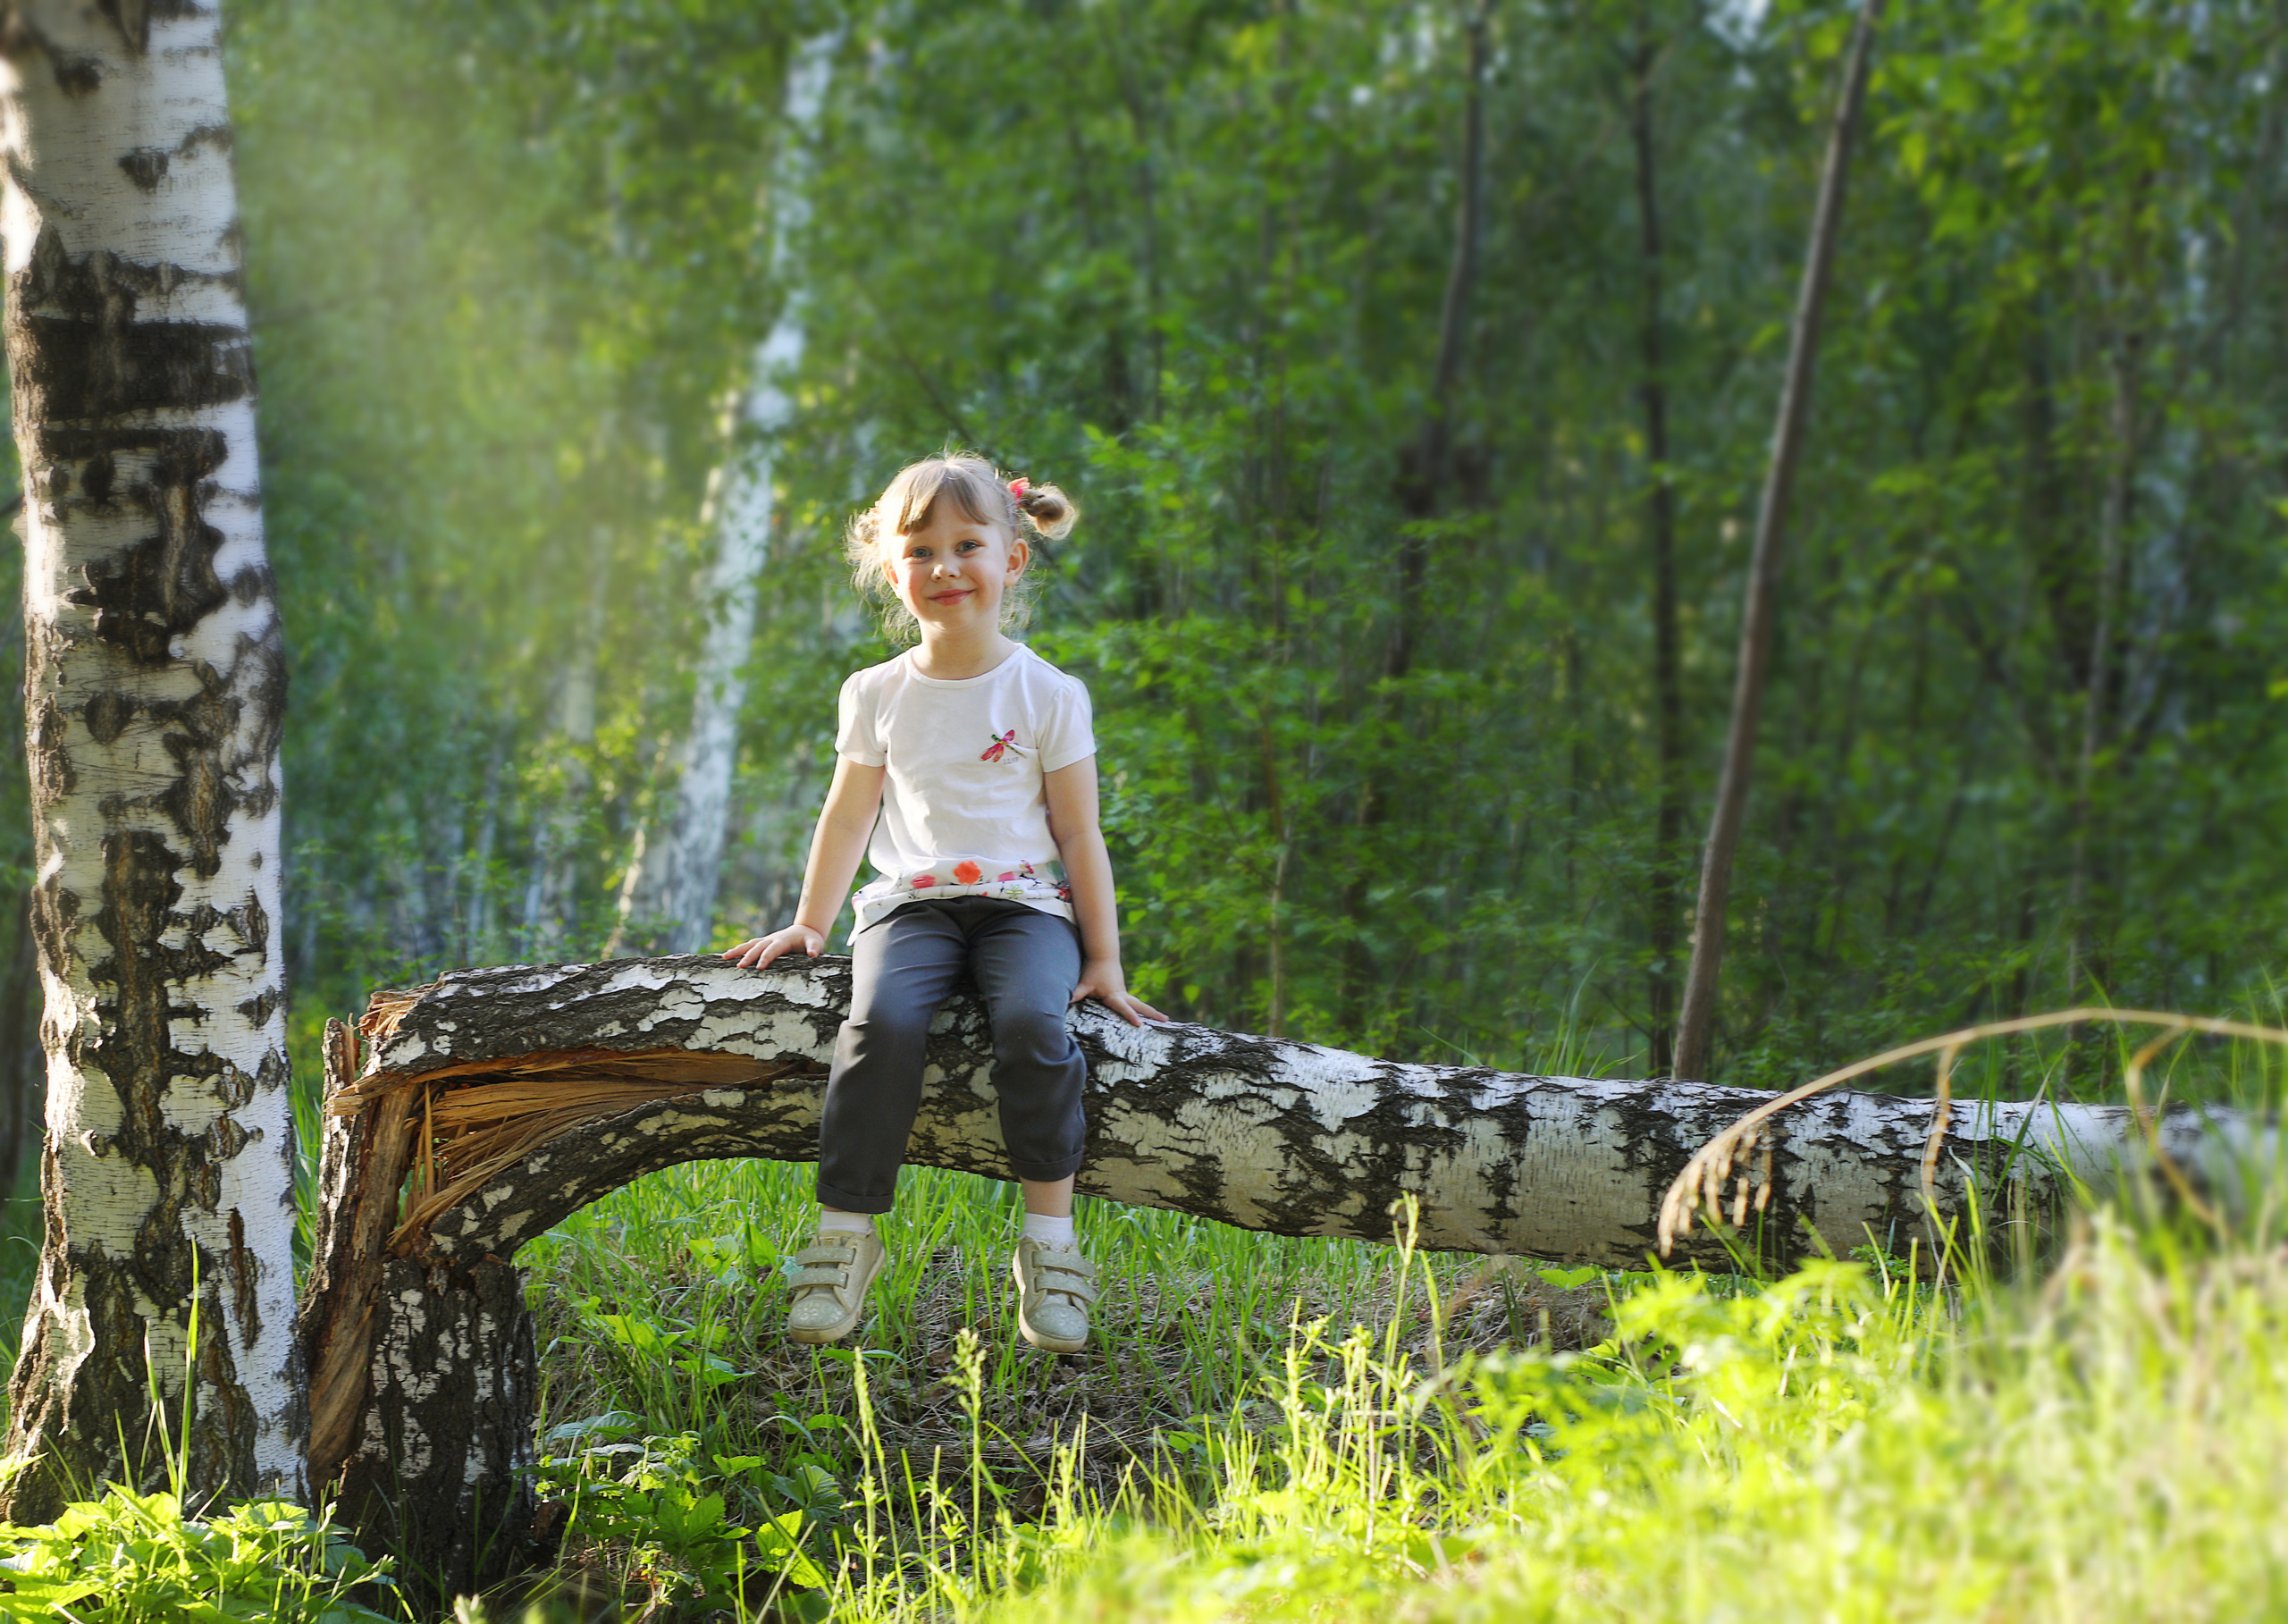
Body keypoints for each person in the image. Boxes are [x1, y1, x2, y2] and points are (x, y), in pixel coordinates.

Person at [722, 452, 1165, 1355]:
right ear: (894, 570)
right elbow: (847, 817)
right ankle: (845, 1236)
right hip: (909, 908)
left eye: (968, 544)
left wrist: (1104, 959)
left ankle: (1049, 1243)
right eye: (921, 549)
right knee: (879, 1021)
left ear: (1012, 559)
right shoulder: (877, 692)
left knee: (1036, 1029)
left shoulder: (1047, 693)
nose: (945, 566)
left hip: (1026, 909)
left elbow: (1081, 836)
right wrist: (810, 920)